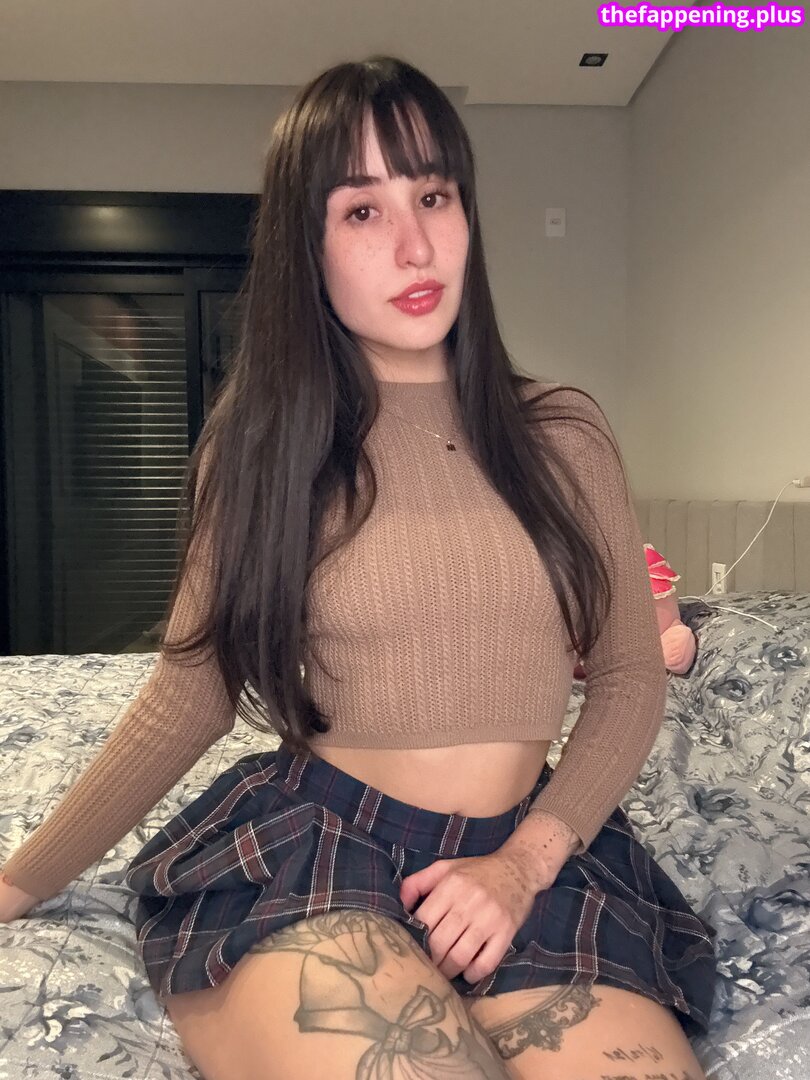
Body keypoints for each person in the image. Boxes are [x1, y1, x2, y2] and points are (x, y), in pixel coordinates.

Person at [1, 55, 717, 1080]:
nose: (414, 244)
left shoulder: (565, 433)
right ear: (310, 246)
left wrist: (525, 863)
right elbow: (189, 694)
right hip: (325, 851)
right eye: (362, 211)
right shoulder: (262, 446)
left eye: (433, 196)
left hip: (533, 857)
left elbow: (629, 673)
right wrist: (18, 883)